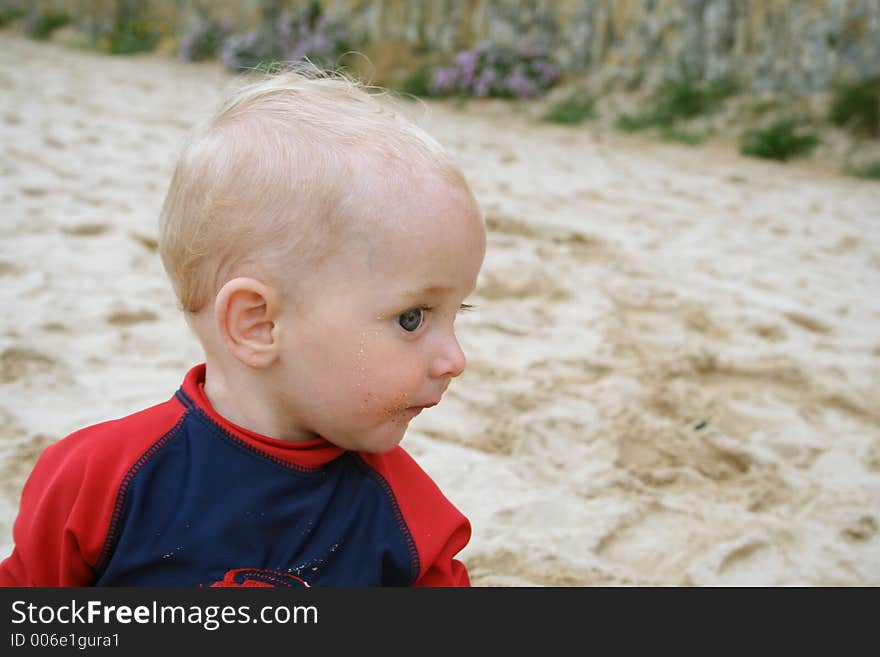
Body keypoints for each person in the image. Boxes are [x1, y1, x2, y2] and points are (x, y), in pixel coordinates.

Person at [0, 69, 486, 587]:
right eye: (413, 318)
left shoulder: (412, 524)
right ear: (258, 323)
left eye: (457, 314)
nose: (455, 359)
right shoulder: (101, 484)